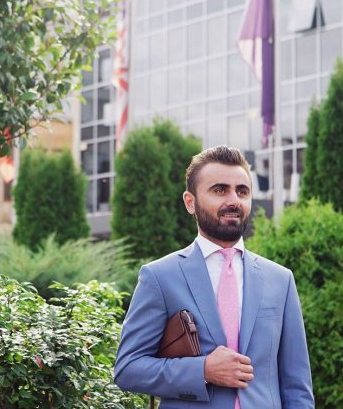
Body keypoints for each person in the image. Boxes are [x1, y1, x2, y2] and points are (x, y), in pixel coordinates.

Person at [114, 146, 314, 408]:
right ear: (190, 202)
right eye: (220, 190)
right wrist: (203, 370)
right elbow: (128, 368)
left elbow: (297, 387)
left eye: (242, 191)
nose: (233, 200)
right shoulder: (160, 277)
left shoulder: (281, 279)